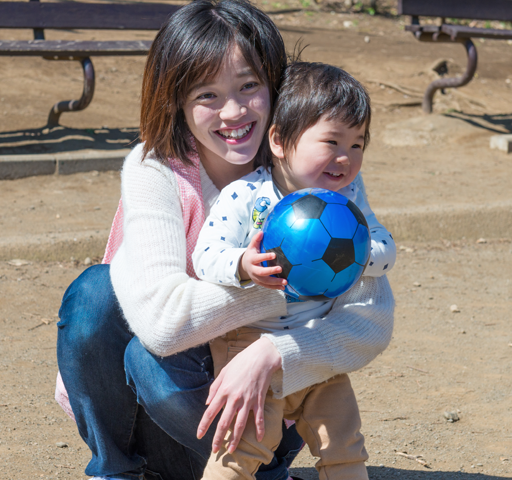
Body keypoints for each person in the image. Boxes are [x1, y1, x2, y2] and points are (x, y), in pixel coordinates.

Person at [56, 1, 394, 479]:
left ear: (275, 84)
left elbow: (372, 319)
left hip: (270, 407)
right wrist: (282, 280)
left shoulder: (319, 174)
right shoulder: (157, 169)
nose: (233, 111)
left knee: (175, 356)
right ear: (175, 100)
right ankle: (116, 470)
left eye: (250, 86)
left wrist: (275, 352)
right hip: (178, 406)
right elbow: (162, 324)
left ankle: (260, 468)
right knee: (95, 296)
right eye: (207, 94)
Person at [190, 62, 395, 479]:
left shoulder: (350, 198)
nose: (347, 158)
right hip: (249, 345)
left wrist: (359, 257)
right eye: (332, 141)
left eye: (358, 144)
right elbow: (205, 255)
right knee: (240, 447)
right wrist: (243, 265)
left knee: (344, 443)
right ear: (280, 141)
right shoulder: (247, 195)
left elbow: (386, 248)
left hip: (316, 347)